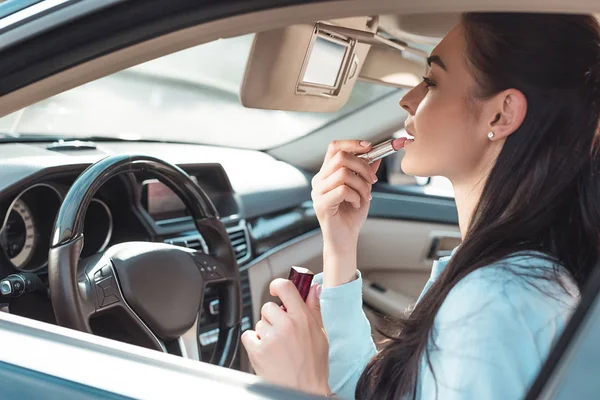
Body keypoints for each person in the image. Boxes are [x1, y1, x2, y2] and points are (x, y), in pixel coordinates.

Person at [241, 12, 600, 400]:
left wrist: (300, 388)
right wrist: (341, 246)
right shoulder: (503, 271)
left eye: (431, 81)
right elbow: (381, 392)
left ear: (502, 114)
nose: (407, 99)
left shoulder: (494, 300)